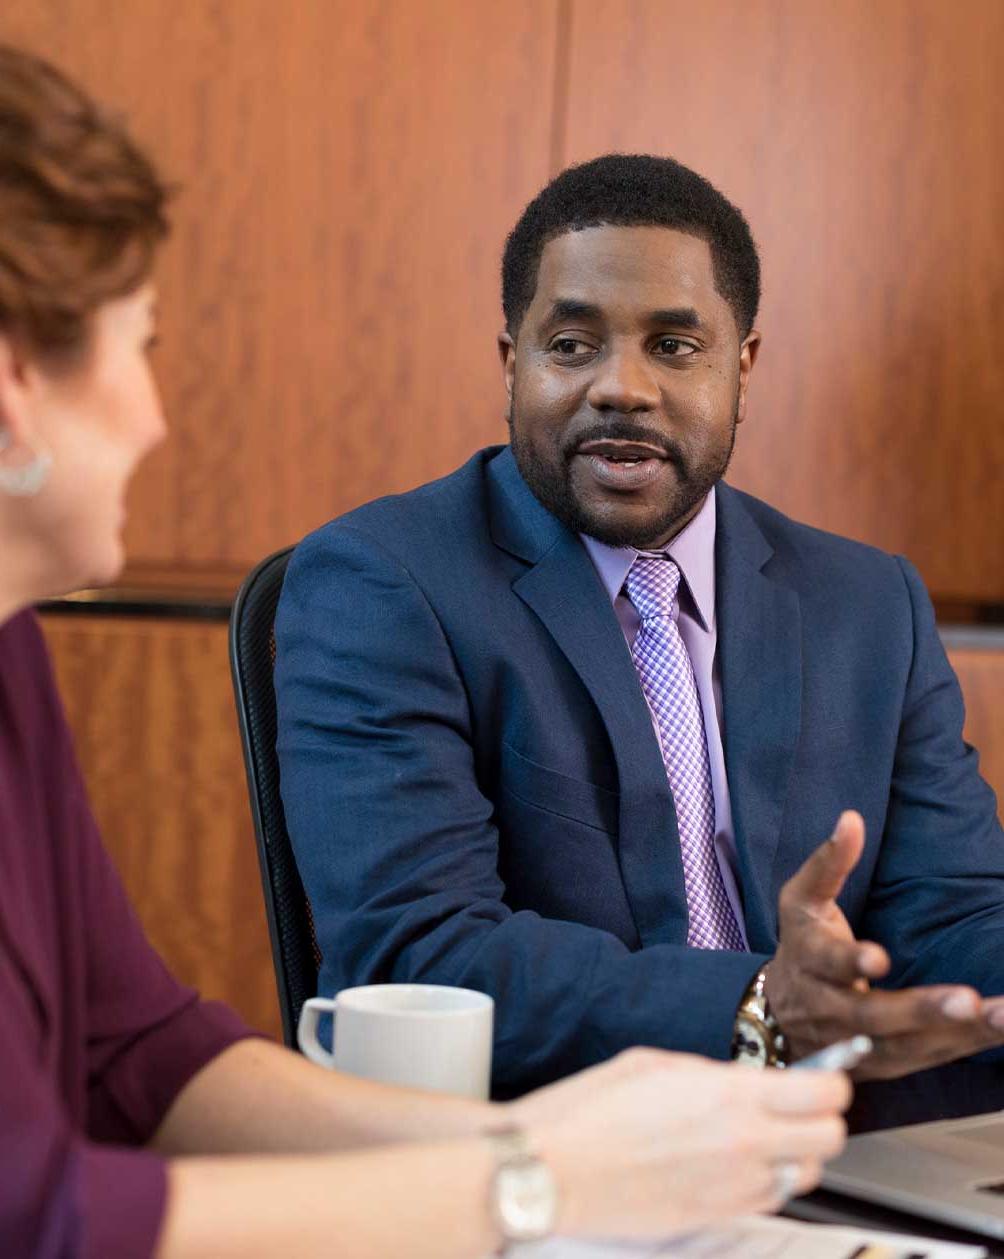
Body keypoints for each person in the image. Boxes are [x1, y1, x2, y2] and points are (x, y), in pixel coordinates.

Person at [0, 46, 852, 1259]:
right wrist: (534, 1182)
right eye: (138, 347)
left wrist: (564, 1144)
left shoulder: (10, 649)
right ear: (16, 386)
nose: (156, 417)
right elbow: (40, 1219)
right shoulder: (386, 578)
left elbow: (134, 1050)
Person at [275, 153, 1004, 1124]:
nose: (620, 387)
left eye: (671, 345)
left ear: (741, 367)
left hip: (851, 1158)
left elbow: (950, 913)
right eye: (571, 344)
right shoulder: (383, 583)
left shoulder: (868, 602)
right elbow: (420, 953)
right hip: (555, 1156)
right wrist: (760, 1007)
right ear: (510, 363)